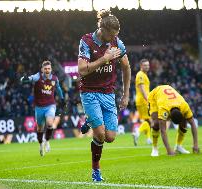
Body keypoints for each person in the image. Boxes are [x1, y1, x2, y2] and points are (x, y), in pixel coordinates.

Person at [78, 9, 131, 181]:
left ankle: (90, 119)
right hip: (90, 92)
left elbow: (126, 67)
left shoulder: (117, 42)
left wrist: (126, 94)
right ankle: (96, 171)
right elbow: (82, 70)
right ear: (103, 30)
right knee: (100, 135)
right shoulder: (86, 41)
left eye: (116, 35)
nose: (113, 38)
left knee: (110, 137)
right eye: (111, 35)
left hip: (108, 93)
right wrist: (104, 58)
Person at [20, 60, 65, 156]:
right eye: (45, 69)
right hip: (39, 107)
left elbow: (59, 88)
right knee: (40, 129)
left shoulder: (54, 79)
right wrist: (26, 78)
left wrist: (62, 98)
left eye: (49, 68)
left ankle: (47, 141)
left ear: (51, 69)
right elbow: (31, 78)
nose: (47, 70)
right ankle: (41, 145)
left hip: (50, 105)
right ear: (42, 69)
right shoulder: (38, 76)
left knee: (49, 124)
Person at [148, 85, 199, 156]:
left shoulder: (184, 106)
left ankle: (178, 146)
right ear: (169, 118)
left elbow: (193, 123)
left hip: (169, 96)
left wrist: (196, 144)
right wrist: (169, 150)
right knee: (156, 123)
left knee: (184, 123)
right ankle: (154, 148)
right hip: (155, 95)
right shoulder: (164, 108)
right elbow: (163, 130)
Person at [132, 59, 152, 146]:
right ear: (141, 66)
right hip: (143, 100)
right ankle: (137, 132)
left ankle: (148, 139)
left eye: (148, 65)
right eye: (145, 65)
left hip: (141, 100)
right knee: (148, 120)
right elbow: (142, 88)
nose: (147, 67)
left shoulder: (143, 75)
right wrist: (148, 99)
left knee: (146, 120)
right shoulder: (140, 75)